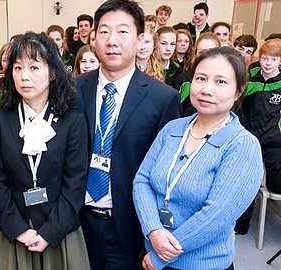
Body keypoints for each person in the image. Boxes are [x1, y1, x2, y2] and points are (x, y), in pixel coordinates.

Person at [133, 46, 263, 270]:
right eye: (201, 78)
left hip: (200, 264)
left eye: (220, 82)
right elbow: (142, 181)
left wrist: (161, 256)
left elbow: (215, 217)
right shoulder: (173, 129)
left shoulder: (243, 145)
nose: (206, 89)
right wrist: (153, 230)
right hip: (151, 247)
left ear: (239, 91)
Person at [75, 1, 182, 269]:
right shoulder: (72, 90)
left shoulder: (162, 98)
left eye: (122, 32)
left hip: (128, 225)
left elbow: (167, 172)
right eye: (104, 32)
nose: (112, 41)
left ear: (140, 39)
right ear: (93, 38)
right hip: (76, 222)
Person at [0, 32, 90, 270]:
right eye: (18, 68)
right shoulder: (0, 118)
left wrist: (50, 232)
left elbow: (75, 183)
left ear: (53, 73)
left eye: (34, 67)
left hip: (59, 233)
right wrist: (18, 229)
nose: (24, 77)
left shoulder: (72, 120)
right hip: (14, 231)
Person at [235, 38, 281, 235]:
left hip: (274, 143)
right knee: (246, 183)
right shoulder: (250, 81)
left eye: (273, 59)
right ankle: (241, 225)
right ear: (259, 58)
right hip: (249, 140)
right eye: (264, 58)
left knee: (276, 187)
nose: (268, 63)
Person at [175, 32, 221, 116]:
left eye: (211, 51)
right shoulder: (183, 80)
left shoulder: (224, 81)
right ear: (195, 54)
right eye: (201, 52)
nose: (206, 56)